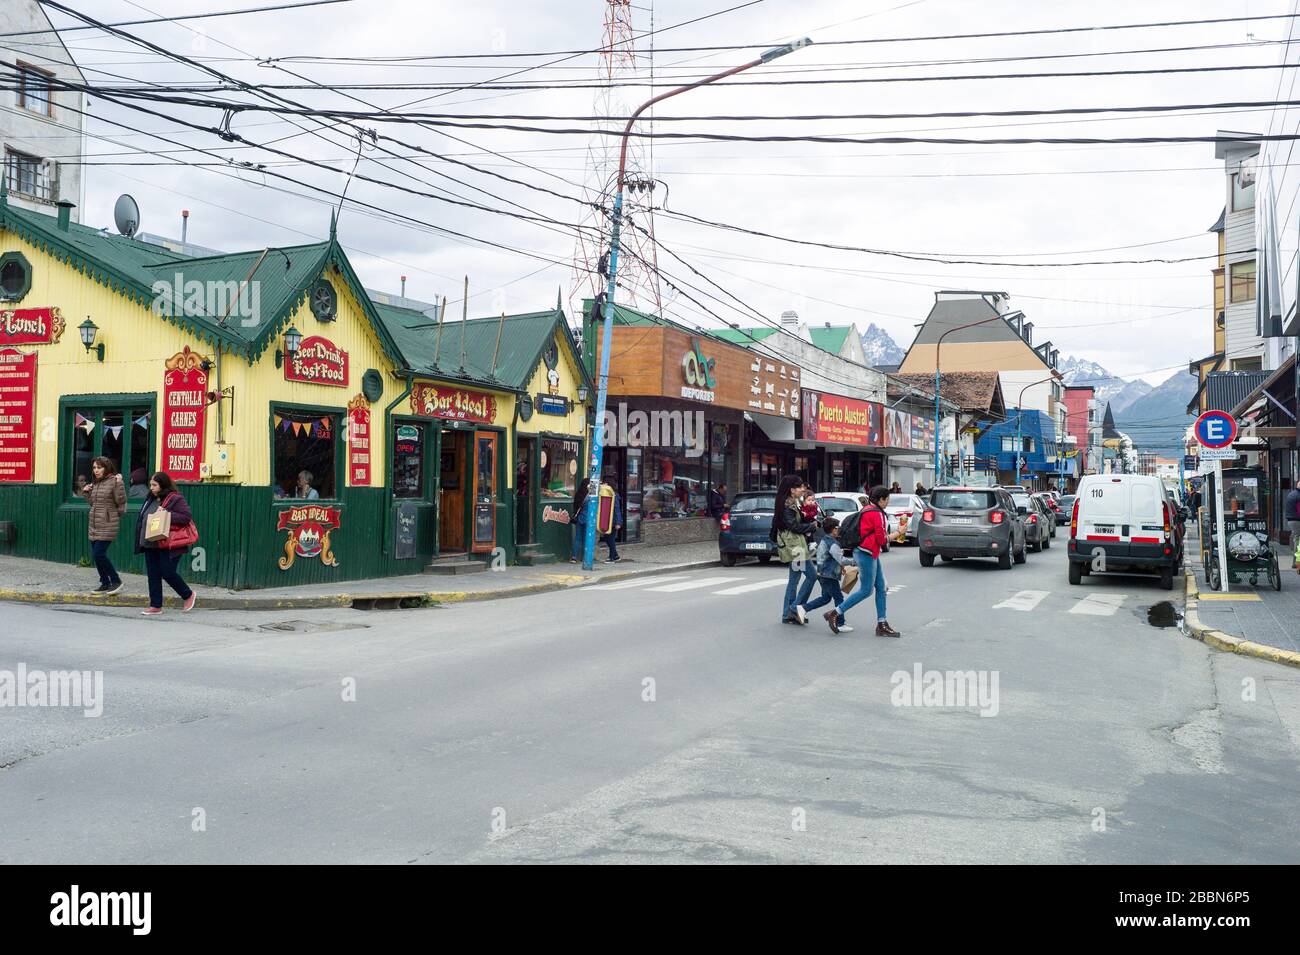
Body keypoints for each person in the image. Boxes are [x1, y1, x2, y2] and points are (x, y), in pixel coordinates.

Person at [825, 485, 901, 637]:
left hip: (866, 552)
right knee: (866, 590)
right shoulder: (877, 513)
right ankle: (835, 612)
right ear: (881, 499)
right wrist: (899, 533)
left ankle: (882, 623)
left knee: (881, 588)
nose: (888, 502)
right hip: (867, 553)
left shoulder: (866, 509)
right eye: (887, 499)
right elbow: (881, 540)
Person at [134, 471, 197, 616]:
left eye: (155, 485)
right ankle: (155, 605)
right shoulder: (150, 498)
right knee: (153, 574)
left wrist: (167, 514)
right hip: (150, 543)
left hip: (168, 543)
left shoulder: (174, 498)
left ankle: (188, 595)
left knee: (167, 572)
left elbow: (186, 517)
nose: (151, 488)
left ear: (163, 485)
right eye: (150, 484)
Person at [796, 516, 856, 633]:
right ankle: (840, 623)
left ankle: (803, 608)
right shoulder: (832, 543)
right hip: (829, 575)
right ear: (833, 529)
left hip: (822, 573)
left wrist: (841, 567)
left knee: (826, 598)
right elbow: (840, 559)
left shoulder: (824, 540)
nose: (839, 530)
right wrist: (854, 562)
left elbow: (832, 558)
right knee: (839, 598)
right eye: (838, 528)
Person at [772, 475, 817, 625]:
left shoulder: (792, 502)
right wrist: (812, 526)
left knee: (794, 580)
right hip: (795, 547)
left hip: (795, 545)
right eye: (800, 487)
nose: (803, 489)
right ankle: (794, 609)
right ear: (792, 490)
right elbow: (794, 527)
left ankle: (788, 614)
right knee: (811, 576)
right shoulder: (788, 505)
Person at [81, 456, 127, 596]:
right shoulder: (96, 483)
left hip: (107, 523)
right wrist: (86, 492)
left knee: (99, 554)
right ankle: (105, 583)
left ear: (106, 468)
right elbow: (93, 503)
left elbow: (121, 500)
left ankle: (116, 580)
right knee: (96, 556)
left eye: (99, 467)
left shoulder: (114, 481)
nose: (96, 470)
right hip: (94, 523)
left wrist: (119, 483)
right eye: (94, 467)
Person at [596, 479, 623, 563]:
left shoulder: (613, 495)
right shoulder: (604, 494)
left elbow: (617, 509)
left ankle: (612, 557)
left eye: (604, 483)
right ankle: (615, 556)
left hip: (613, 521)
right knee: (607, 538)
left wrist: (618, 522)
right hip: (606, 519)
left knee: (610, 539)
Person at [570, 478, 591, 563]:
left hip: (579, 518)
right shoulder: (591, 497)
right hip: (588, 519)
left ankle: (574, 557)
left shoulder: (579, 494)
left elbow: (575, 506)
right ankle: (585, 557)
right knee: (587, 538)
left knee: (577, 538)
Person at [1284, 477, 1300, 570]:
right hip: (1297, 520)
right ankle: (1296, 562)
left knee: (1296, 540)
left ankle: (1296, 562)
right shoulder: (1298, 496)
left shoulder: (1291, 494)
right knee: (1297, 541)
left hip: (1291, 520)